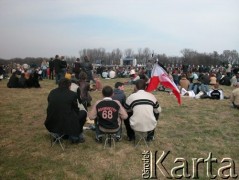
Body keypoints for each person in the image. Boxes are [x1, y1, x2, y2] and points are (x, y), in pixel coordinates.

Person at [44, 78, 87, 143]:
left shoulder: (52, 92)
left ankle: (59, 134)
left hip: (51, 122)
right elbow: (76, 110)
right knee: (83, 113)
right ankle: (75, 135)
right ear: (69, 85)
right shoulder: (72, 94)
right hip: (66, 124)